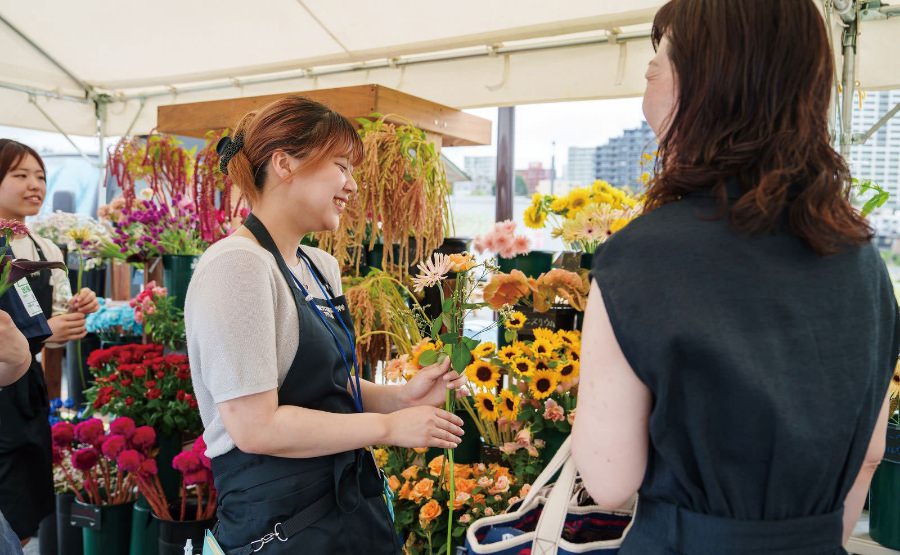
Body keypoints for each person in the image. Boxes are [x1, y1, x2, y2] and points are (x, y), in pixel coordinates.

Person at [571, 1, 900, 554]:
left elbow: (609, 480)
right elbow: (869, 456)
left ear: (706, 87)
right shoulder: (862, 261)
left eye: (656, 65)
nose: (648, 82)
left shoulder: (640, 258)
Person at [185, 96, 467, 554]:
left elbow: (326, 388)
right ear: (284, 164)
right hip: (283, 521)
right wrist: (388, 428)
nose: (352, 185)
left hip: (346, 510)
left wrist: (399, 398)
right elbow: (256, 427)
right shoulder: (237, 266)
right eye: (341, 166)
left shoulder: (319, 266)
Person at [0, 139, 100, 545]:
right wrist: (45, 331)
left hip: (30, 394)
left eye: (40, 176)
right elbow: (42, 330)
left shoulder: (45, 249)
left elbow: (55, 331)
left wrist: (77, 310)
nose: (34, 185)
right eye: (20, 175)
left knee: (25, 508)